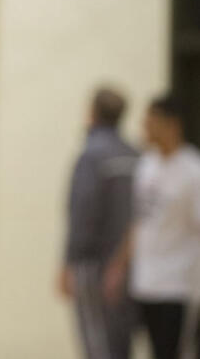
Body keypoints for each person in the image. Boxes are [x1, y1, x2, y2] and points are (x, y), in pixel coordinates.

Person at [105, 93, 200, 359]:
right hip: (144, 281)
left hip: (177, 285)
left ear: (172, 124)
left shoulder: (192, 170)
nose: (144, 128)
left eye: (150, 121)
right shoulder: (146, 165)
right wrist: (119, 265)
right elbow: (138, 221)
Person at [57, 86, 138, 359]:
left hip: (93, 266)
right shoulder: (135, 155)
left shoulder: (92, 156)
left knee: (96, 342)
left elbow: (82, 211)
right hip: (129, 264)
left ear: (93, 113)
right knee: (120, 342)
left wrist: (68, 262)